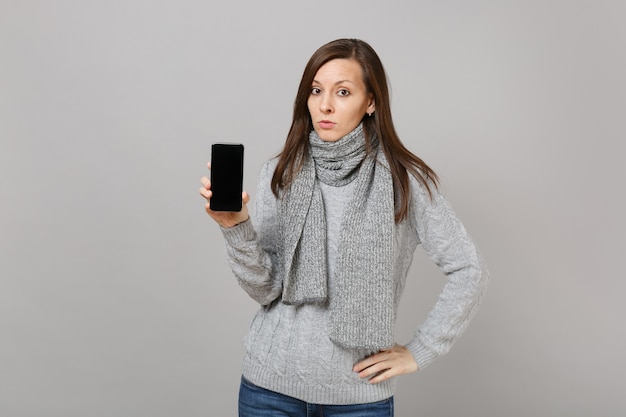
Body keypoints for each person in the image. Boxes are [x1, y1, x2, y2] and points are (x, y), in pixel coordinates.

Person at [199, 38, 488, 417]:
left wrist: (420, 350)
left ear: (371, 103)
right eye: (316, 91)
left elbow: (469, 269)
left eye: (344, 92)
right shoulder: (282, 172)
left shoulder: (405, 181)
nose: (326, 105)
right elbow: (266, 287)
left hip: (357, 398)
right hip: (268, 388)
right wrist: (235, 227)